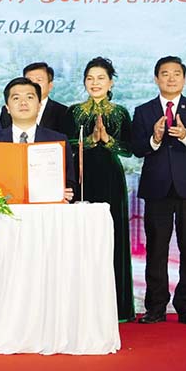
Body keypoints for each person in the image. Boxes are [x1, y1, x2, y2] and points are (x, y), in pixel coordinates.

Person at [130, 56, 186, 325]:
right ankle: (155, 307)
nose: (171, 78)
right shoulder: (143, 111)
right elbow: (136, 148)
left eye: (177, 73)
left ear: (184, 79)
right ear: (156, 79)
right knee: (156, 249)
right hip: (157, 189)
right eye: (165, 73)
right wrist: (154, 138)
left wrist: (185, 135)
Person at [65, 56, 134, 322]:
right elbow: (64, 143)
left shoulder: (121, 112)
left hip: (111, 178)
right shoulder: (73, 112)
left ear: (110, 82)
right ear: (84, 82)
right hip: (81, 176)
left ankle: (117, 308)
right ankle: (81, 307)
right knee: (80, 238)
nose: (95, 83)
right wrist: (89, 140)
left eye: (101, 78)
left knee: (112, 238)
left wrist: (108, 140)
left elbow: (129, 150)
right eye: (90, 78)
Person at [0, 77, 75, 201]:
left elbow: (69, 181)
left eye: (29, 97)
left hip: (46, 208)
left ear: (39, 105)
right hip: (3, 209)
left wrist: (65, 192)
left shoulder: (58, 141)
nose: (23, 103)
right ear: (7, 108)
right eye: (16, 98)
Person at [0, 62, 70, 134]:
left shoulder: (63, 112)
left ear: (50, 85)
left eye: (39, 80)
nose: (34, 84)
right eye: (29, 80)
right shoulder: (8, 109)